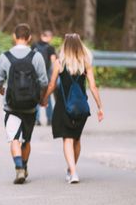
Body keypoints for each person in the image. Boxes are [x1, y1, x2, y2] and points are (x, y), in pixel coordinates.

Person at [41, 33, 104, 184]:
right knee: (76, 139)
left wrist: (44, 99)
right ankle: (72, 169)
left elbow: (51, 84)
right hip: (81, 105)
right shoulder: (85, 62)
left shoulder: (59, 62)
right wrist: (100, 107)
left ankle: (73, 172)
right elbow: (93, 87)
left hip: (64, 105)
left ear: (65, 46)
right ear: (79, 46)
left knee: (67, 139)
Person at [0, 23, 48, 185]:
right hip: (31, 105)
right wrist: (41, 97)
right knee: (27, 140)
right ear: (30, 38)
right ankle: (24, 166)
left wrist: (0, 89)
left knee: (14, 138)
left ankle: (19, 169)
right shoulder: (36, 56)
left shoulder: (5, 56)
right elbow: (44, 81)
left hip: (11, 105)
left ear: (14, 37)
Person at [33, 30, 58, 126]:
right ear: (49, 37)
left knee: (36, 97)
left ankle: (36, 119)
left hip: (35, 75)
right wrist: (54, 76)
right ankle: (50, 119)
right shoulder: (50, 48)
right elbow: (53, 62)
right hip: (46, 75)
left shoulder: (34, 46)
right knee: (47, 96)